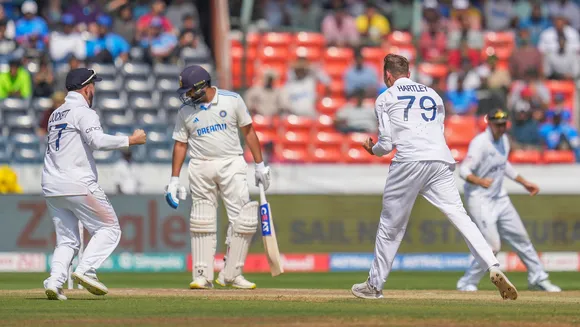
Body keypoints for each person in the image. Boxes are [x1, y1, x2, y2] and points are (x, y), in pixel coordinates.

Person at [351, 54, 516, 301]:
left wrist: (371, 149)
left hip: (408, 160)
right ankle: (492, 265)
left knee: (391, 226)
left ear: (387, 75)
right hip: (440, 159)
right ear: (408, 72)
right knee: (460, 216)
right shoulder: (433, 95)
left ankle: (375, 286)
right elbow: (437, 130)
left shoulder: (385, 98)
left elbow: (386, 144)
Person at [42, 68, 147, 300]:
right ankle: (86, 269)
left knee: (67, 240)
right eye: (94, 86)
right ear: (87, 88)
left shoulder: (55, 114)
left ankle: (54, 281)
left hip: (51, 184)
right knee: (109, 229)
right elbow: (97, 141)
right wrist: (130, 140)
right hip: (77, 183)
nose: (95, 90)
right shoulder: (83, 111)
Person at [166, 65, 271, 289]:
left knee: (243, 220)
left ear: (202, 87)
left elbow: (249, 131)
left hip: (231, 163)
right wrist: (174, 179)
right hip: (200, 166)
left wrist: (260, 165)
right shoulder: (185, 112)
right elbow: (180, 144)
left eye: (189, 91)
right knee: (202, 220)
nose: (186, 96)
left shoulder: (232, 100)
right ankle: (202, 275)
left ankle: (231, 273)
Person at [457, 109, 561, 292]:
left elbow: (504, 165)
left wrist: (524, 183)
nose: (502, 127)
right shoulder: (480, 143)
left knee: (522, 239)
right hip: (480, 199)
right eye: (498, 124)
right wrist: (480, 181)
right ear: (489, 123)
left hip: (500, 198)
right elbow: (464, 170)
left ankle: (538, 278)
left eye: (504, 124)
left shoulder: (504, 140)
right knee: (492, 246)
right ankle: (467, 282)